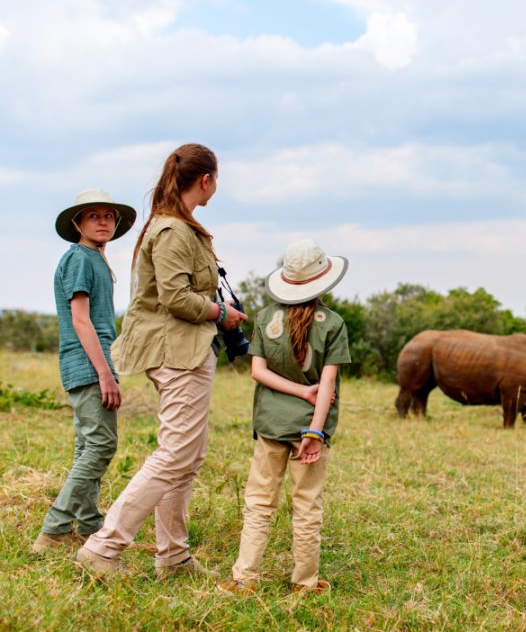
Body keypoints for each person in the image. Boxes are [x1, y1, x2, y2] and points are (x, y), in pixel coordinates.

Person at [76, 143, 247, 577]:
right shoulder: (172, 229)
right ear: (206, 180)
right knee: (175, 455)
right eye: (216, 179)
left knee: (188, 455)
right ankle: (104, 547)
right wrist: (221, 313)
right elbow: (175, 298)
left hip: (183, 349)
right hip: (177, 351)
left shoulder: (178, 225)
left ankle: (173, 556)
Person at [219, 238, 351, 595]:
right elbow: (327, 385)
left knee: (259, 501)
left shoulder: (265, 317)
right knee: (307, 504)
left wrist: (294, 391)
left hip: (270, 425)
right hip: (310, 428)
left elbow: (257, 372)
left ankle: (244, 577)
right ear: (323, 279)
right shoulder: (334, 323)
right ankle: (305, 582)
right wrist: (315, 431)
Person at [32, 189, 137, 554]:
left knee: (86, 446)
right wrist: (106, 374)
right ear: (78, 223)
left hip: (89, 365)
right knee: (101, 445)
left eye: (108, 215)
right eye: (93, 216)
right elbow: (81, 321)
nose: (103, 221)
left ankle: (90, 523)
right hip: (89, 365)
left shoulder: (93, 258)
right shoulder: (79, 258)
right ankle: (54, 528)